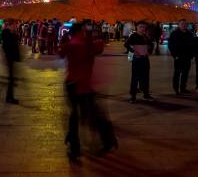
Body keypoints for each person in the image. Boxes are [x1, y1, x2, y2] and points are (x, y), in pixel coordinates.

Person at [60, 22, 117, 161]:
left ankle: (75, 147)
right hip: (85, 85)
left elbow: (61, 53)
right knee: (92, 114)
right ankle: (107, 139)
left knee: (76, 115)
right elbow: (99, 47)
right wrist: (90, 37)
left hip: (73, 84)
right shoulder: (88, 44)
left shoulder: (73, 45)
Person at [124, 21, 154, 103]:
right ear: (137, 27)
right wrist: (133, 50)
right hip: (137, 59)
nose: (142, 28)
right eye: (141, 27)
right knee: (135, 78)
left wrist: (149, 51)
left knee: (145, 77)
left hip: (145, 59)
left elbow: (151, 45)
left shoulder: (146, 36)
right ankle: (133, 96)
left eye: (144, 27)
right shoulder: (133, 36)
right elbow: (126, 44)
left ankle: (146, 94)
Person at [168, 19, 195, 94]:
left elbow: (193, 45)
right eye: (182, 24)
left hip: (187, 57)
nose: (184, 25)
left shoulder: (189, 34)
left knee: (185, 74)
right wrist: (174, 55)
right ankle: (176, 89)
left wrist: (191, 55)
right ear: (179, 25)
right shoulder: (174, 34)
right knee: (177, 73)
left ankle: (183, 88)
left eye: (185, 24)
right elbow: (170, 45)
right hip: (178, 57)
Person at [1, 19, 20, 104]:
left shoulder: (8, 33)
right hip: (10, 58)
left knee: (12, 79)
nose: (16, 26)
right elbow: (8, 46)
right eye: (14, 25)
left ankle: (9, 97)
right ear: (10, 25)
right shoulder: (7, 34)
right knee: (11, 79)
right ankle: (9, 98)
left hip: (11, 58)